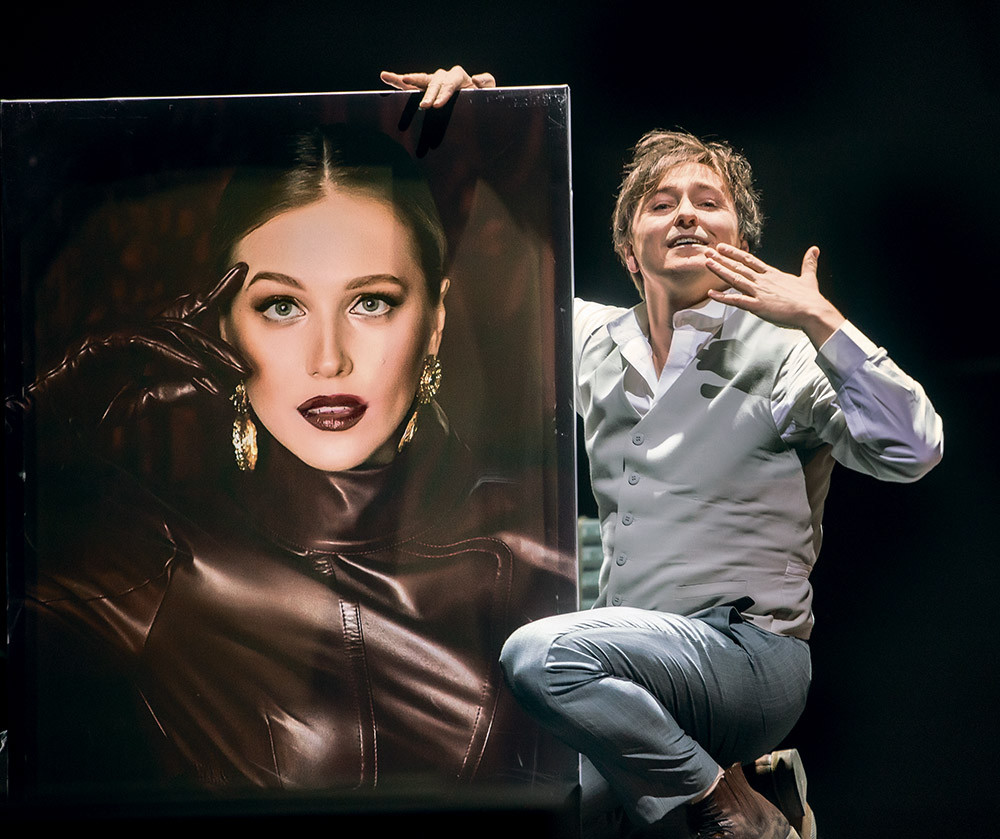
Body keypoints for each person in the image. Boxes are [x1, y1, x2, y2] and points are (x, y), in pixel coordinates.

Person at [380, 69, 944, 838]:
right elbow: (473, 273)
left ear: (739, 244)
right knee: (548, 805)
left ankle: (730, 804)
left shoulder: (784, 350)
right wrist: (483, 128)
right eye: (661, 202)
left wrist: (821, 320)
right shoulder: (592, 338)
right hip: (630, 665)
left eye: (708, 202)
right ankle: (756, 788)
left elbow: (914, 448)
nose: (685, 213)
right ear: (628, 249)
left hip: (749, 658)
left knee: (542, 658)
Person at [6, 123, 574, 797]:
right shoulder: (154, 568)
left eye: (371, 302)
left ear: (436, 321)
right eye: (282, 306)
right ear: (224, 327)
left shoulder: (540, 548)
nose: (328, 359)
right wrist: (26, 430)